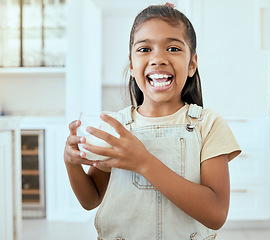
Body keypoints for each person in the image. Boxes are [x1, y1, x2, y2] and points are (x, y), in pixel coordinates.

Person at [64, 3, 241, 239]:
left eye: (173, 48)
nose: (158, 58)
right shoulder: (117, 127)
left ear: (192, 64)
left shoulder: (208, 125)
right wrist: (71, 163)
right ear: (131, 65)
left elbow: (216, 214)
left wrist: (144, 162)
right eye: (145, 49)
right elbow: (91, 199)